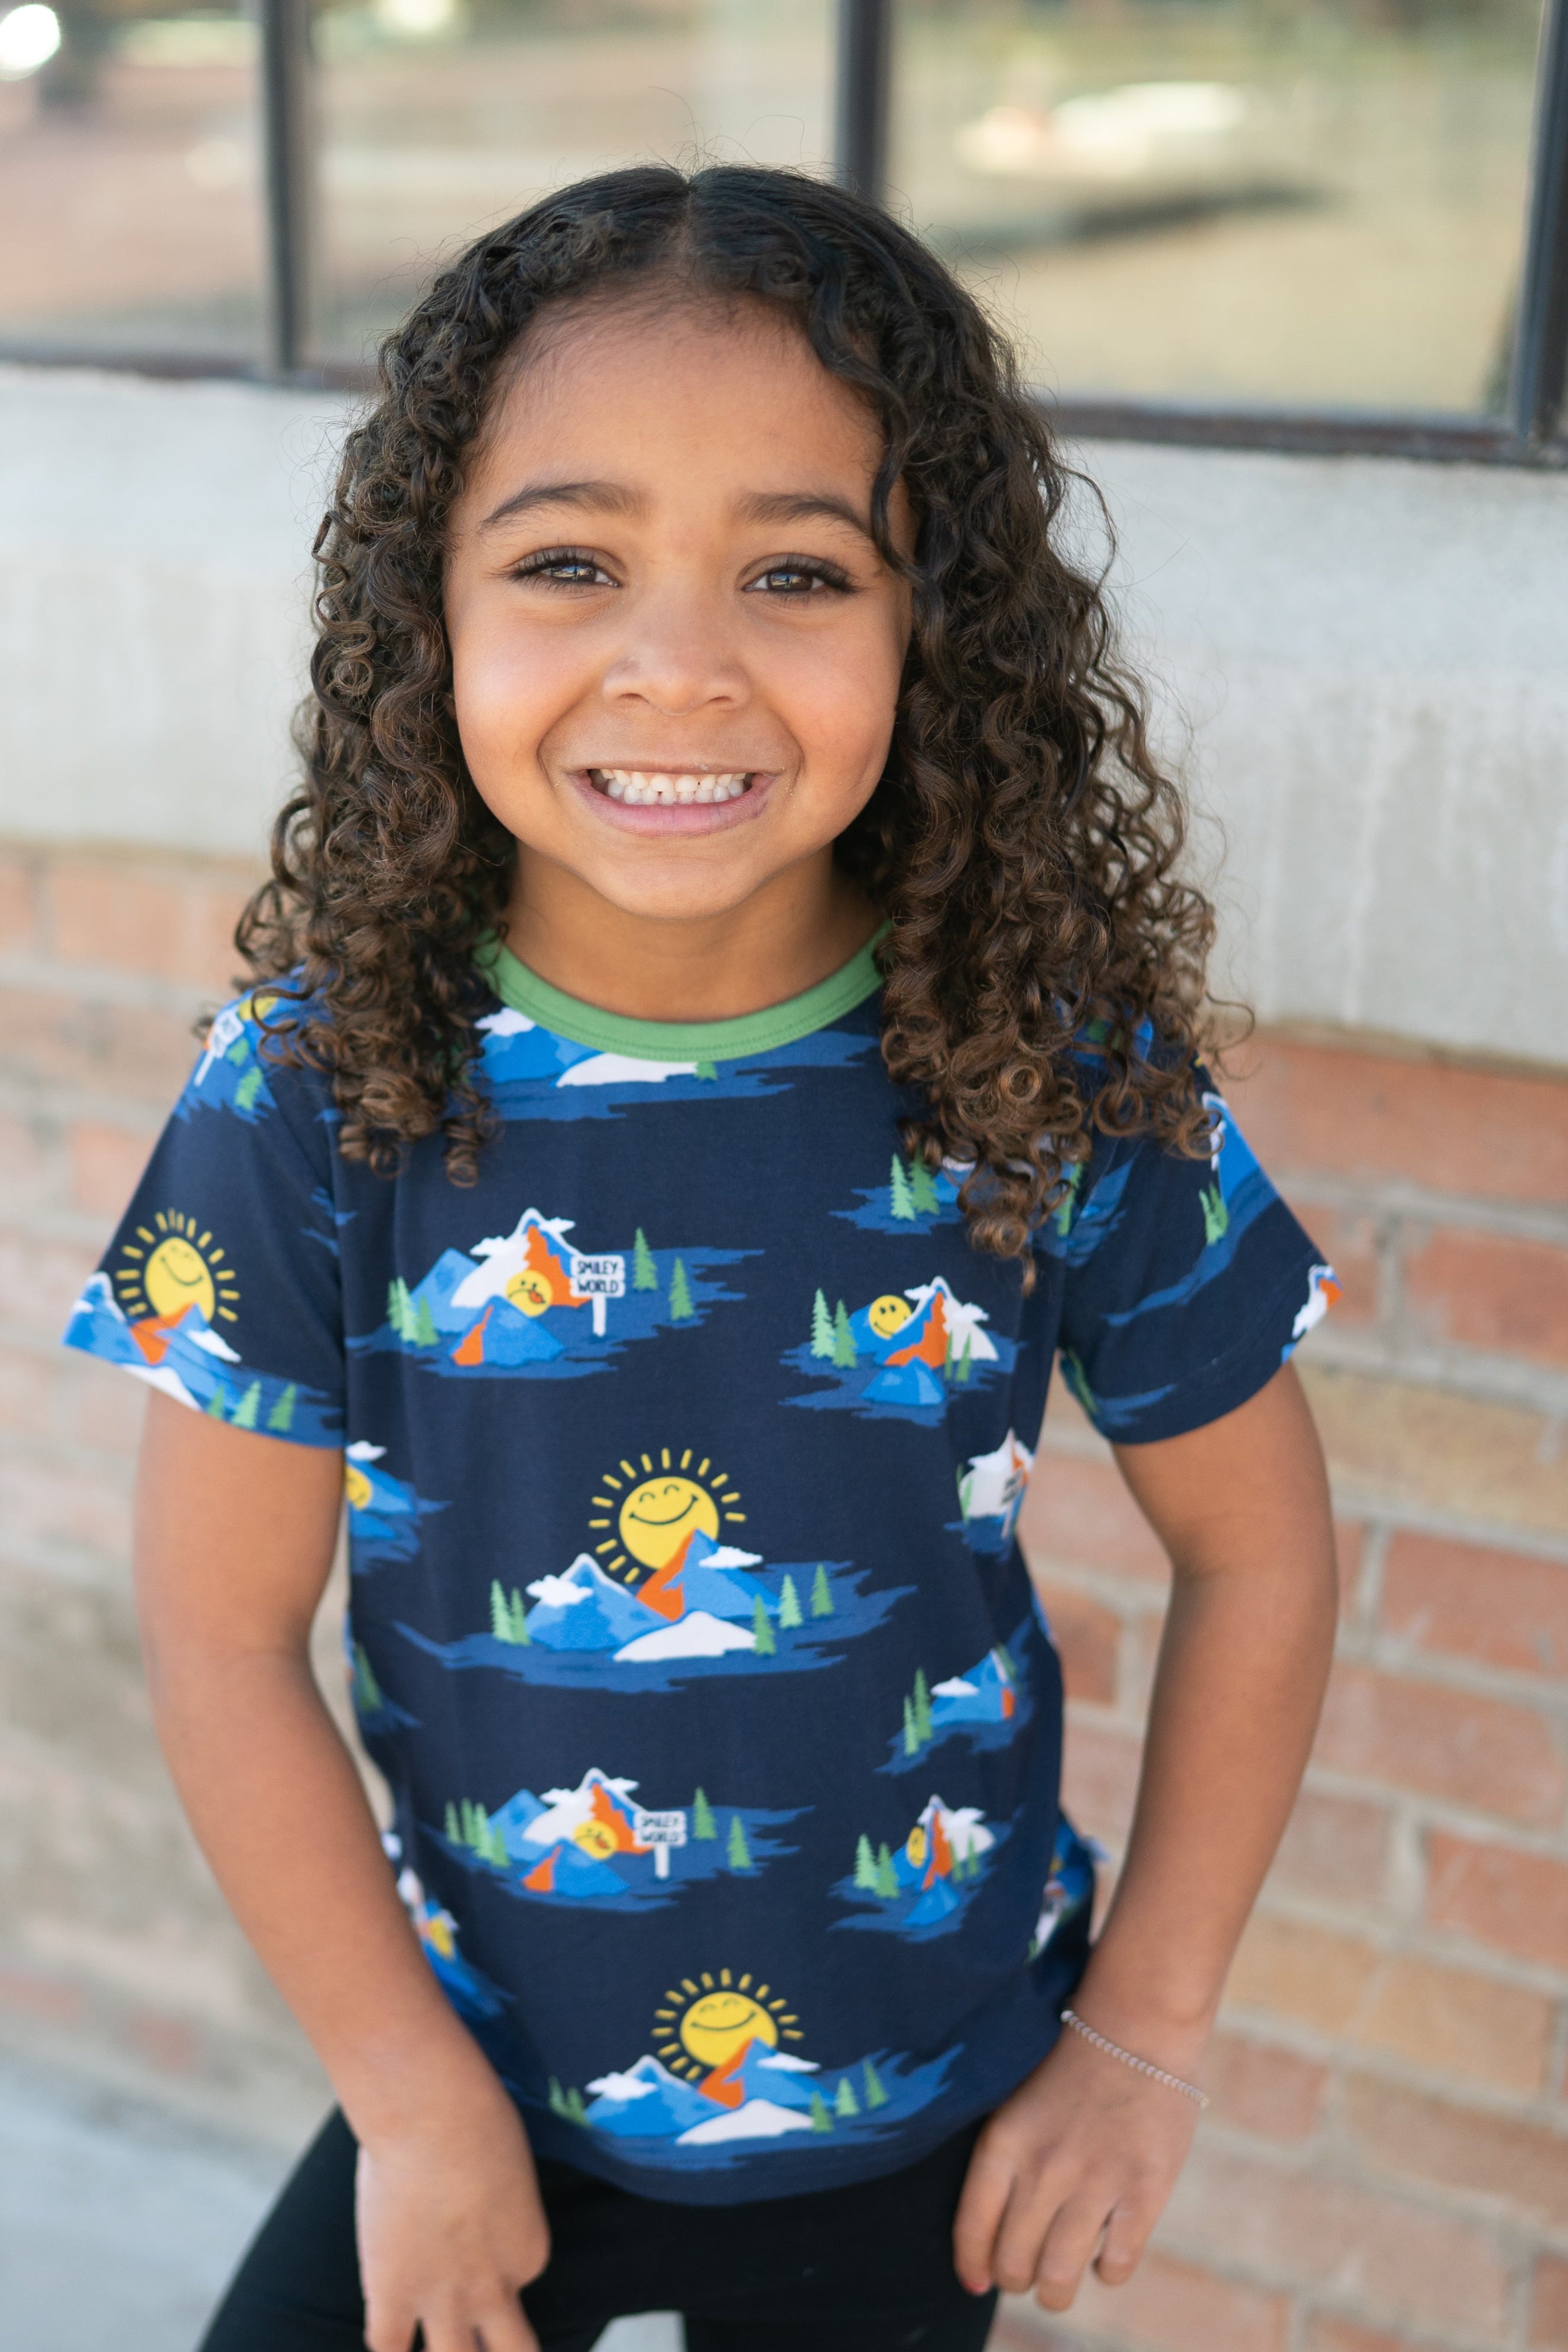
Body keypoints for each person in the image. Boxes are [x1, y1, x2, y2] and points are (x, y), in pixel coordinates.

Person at [64, 164, 1340, 2352]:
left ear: (934, 624)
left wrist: (1145, 2031)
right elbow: (216, 1634)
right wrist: (406, 2101)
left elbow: (1266, 1558)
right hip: (478, 2098)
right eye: (568, 561)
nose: (679, 663)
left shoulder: (1048, 1064)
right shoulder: (312, 1087)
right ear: (425, 620)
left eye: (795, 570)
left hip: (933, 2116)